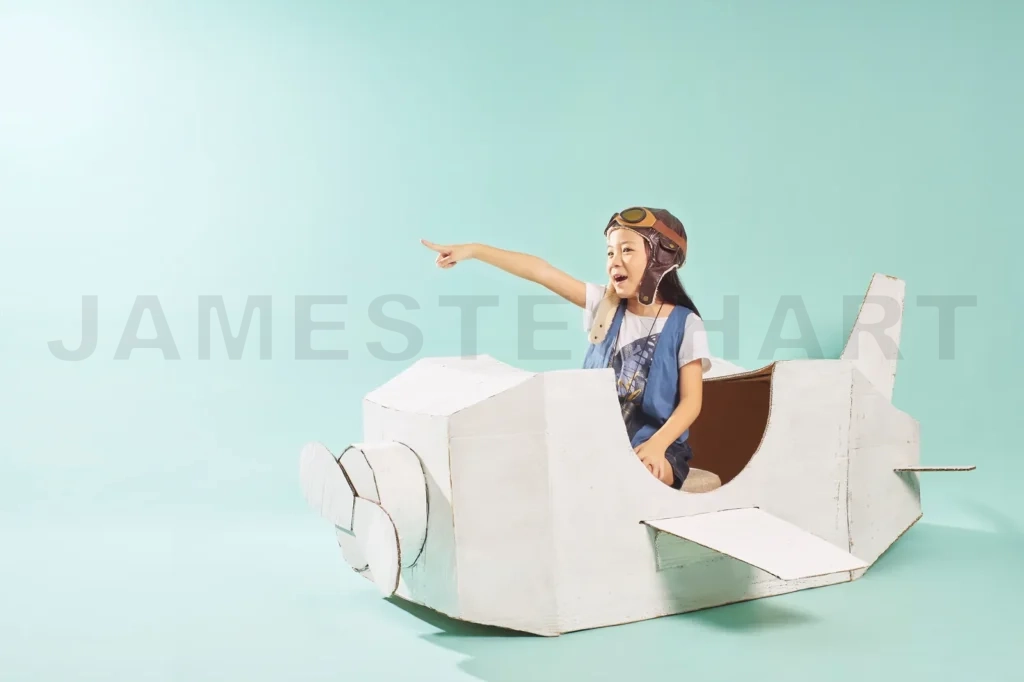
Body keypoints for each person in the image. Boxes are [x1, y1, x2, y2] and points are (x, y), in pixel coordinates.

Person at [421, 206, 711, 489]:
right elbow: (540, 271)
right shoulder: (605, 306)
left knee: (641, 475)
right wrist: (473, 250)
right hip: (593, 436)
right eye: (610, 252)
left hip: (655, 443)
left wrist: (658, 446)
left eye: (627, 249)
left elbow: (691, 402)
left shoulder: (686, 324)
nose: (614, 260)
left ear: (661, 256)